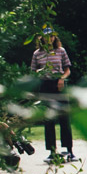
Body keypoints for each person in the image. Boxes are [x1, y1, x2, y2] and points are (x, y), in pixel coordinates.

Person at [31, 28, 77, 163]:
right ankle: (52, 151)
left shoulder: (61, 51)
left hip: (59, 84)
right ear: (42, 38)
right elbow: (33, 71)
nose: (50, 39)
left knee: (64, 118)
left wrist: (62, 79)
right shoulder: (37, 54)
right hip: (45, 85)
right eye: (47, 36)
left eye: (52, 36)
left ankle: (69, 150)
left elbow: (67, 69)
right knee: (49, 119)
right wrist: (40, 72)